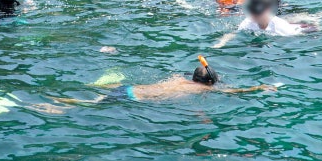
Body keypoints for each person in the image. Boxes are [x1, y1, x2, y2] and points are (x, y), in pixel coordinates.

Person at [54, 56, 277, 104]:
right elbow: (232, 92)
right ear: (209, 83)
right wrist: (258, 87)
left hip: (132, 88)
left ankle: (74, 92)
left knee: (100, 94)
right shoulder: (201, 90)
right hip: (134, 97)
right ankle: (56, 105)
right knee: (90, 103)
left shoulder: (179, 78)